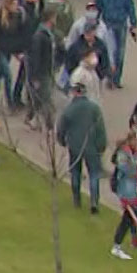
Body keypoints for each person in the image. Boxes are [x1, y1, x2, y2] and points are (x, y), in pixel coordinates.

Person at [59, 81, 109, 213]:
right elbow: (100, 128)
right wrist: (101, 145)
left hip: (75, 145)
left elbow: (61, 127)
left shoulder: (69, 109)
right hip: (91, 146)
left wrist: (62, 140)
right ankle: (94, 202)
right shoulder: (94, 108)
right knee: (94, 174)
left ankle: (76, 200)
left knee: (75, 172)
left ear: (74, 92)